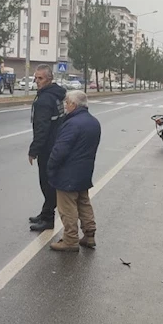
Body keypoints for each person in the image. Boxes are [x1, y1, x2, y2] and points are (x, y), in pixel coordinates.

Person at [47, 90, 101, 252]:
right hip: (84, 170)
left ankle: (70, 239)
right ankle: (89, 234)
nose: (65, 105)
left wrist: (50, 166)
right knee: (83, 202)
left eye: (67, 103)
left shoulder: (72, 124)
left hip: (67, 172)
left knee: (67, 207)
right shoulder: (93, 122)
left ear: (74, 105)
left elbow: (60, 149)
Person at [28, 64, 67, 232]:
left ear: (49, 79)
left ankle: (48, 219)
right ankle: (45, 212)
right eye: (35, 78)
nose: (37, 81)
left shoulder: (45, 99)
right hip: (56, 144)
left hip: (48, 148)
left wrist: (34, 149)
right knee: (49, 182)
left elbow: (42, 128)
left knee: (47, 183)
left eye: (40, 78)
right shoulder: (55, 94)